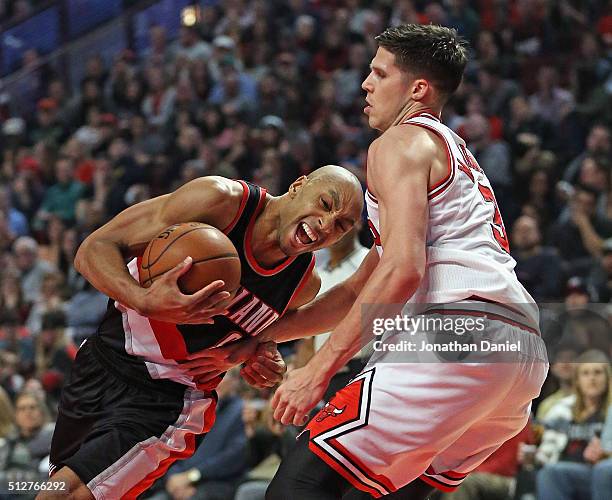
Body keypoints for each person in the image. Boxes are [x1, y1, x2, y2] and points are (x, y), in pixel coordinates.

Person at [254, 24, 548, 499]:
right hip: (519, 357)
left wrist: (318, 370)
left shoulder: (399, 142)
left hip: (455, 336)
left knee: (295, 489)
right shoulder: (451, 154)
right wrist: (262, 335)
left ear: (417, 89)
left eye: (378, 73)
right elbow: (354, 292)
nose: (365, 84)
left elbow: (403, 270)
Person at [37, 167, 363, 499]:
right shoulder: (220, 202)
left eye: (341, 225)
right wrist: (141, 298)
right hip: (103, 357)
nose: (326, 223)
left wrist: (261, 352)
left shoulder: (302, 285)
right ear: (298, 186)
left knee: (61, 494)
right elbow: (96, 246)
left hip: (167, 399)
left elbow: (261, 337)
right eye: (325, 203)